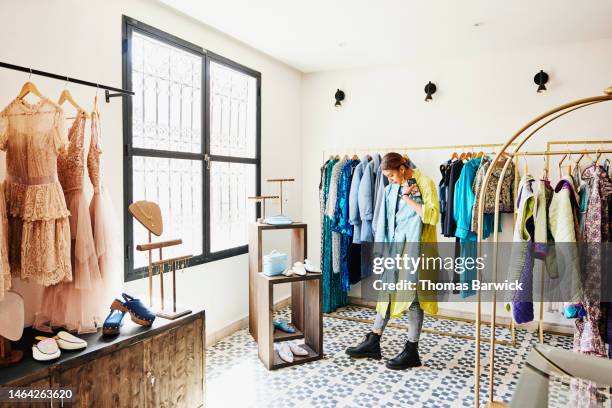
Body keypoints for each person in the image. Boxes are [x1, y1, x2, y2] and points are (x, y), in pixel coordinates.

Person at [346, 152, 440, 370]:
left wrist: (407, 198)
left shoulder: (425, 183)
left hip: (417, 250)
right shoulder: (391, 189)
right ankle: (373, 340)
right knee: (387, 292)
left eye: (391, 175)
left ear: (402, 168)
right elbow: (386, 222)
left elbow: (433, 217)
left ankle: (411, 351)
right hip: (394, 249)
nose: (389, 180)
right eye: (386, 176)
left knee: (413, 299)